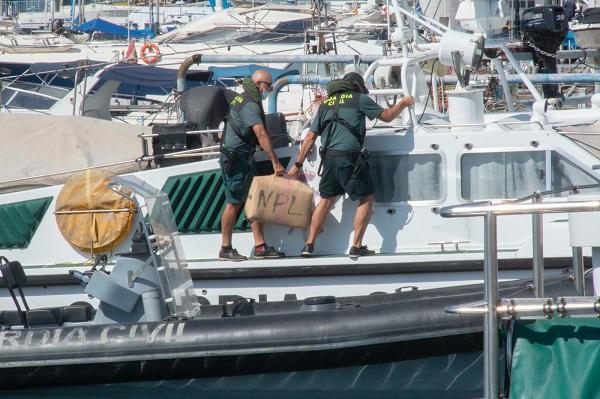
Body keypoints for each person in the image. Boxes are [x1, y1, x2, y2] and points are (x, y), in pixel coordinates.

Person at [288, 72, 414, 258]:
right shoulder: (360, 99)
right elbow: (387, 117)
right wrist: (403, 103)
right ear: (357, 86)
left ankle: (309, 245)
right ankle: (356, 246)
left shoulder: (325, 104)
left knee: (326, 199)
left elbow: (309, 137)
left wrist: (297, 165)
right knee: (366, 198)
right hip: (350, 158)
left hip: (329, 158)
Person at [219, 70, 285, 261]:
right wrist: (275, 162)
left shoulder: (245, 98)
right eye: (269, 86)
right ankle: (225, 248)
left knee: (254, 201)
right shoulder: (250, 103)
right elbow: (261, 134)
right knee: (233, 204)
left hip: (244, 158)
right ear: (258, 84)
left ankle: (260, 247)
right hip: (235, 159)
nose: (270, 90)